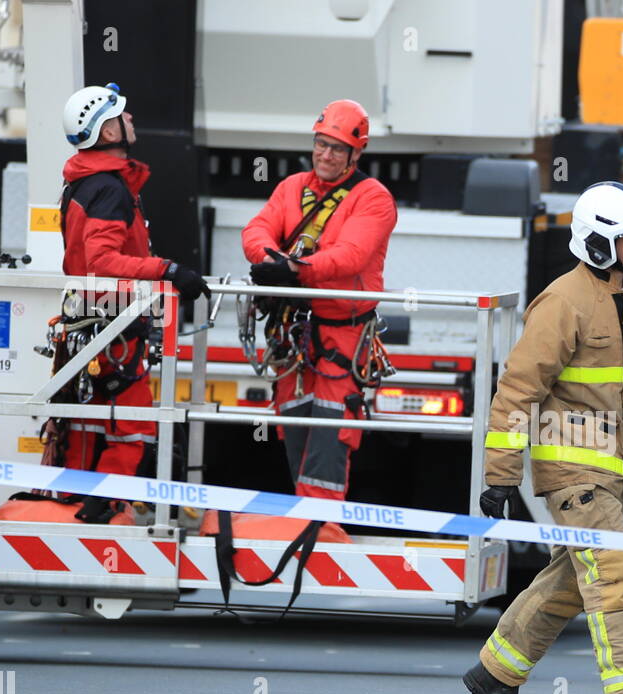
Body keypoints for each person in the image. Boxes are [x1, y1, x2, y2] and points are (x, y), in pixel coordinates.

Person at [462, 181, 623, 694]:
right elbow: (517, 392)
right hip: (572, 474)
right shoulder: (561, 303)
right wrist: (500, 475)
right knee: (615, 573)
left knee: (575, 579)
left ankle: (495, 674)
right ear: (599, 243)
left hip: (618, 475)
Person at [59, 83, 209, 522]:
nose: (132, 121)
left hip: (93, 323)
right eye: (124, 115)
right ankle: (105, 510)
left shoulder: (87, 184)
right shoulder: (109, 189)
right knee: (133, 426)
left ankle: (77, 507)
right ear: (107, 132)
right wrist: (168, 270)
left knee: (86, 427)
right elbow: (103, 260)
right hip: (113, 327)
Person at [241, 100, 397, 499]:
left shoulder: (373, 199)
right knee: (293, 428)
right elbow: (258, 229)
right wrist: (268, 258)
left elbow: (352, 255)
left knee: (331, 433)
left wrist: (292, 270)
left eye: (337, 148)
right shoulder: (291, 188)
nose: (326, 154)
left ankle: (319, 526)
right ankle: (303, 520)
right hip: (292, 336)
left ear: (355, 153)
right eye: (321, 144)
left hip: (340, 339)